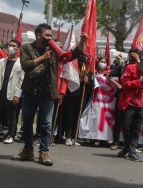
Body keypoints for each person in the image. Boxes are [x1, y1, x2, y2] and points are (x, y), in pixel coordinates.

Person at [13, 23, 87, 166]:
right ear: (38, 35)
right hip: (30, 92)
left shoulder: (53, 49)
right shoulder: (27, 48)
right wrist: (43, 58)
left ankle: (44, 152)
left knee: (46, 124)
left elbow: (68, 56)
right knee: (27, 122)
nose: (50, 38)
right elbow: (25, 66)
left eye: (50, 35)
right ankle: (28, 150)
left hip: (47, 93)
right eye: (47, 35)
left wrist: (82, 43)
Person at [117, 48, 143, 162]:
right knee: (126, 127)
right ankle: (127, 148)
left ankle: (132, 150)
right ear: (140, 60)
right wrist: (139, 81)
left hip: (142, 104)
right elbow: (124, 84)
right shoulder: (130, 68)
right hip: (129, 103)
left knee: (137, 129)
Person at [0, 39, 24, 144]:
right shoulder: (2, 61)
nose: (11, 47)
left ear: (18, 48)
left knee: (13, 115)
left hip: (13, 93)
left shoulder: (21, 63)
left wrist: (17, 95)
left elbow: (22, 81)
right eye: (10, 45)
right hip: (2, 91)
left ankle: (11, 135)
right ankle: (3, 132)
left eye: (14, 45)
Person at [108, 54, 124, 150]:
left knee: (128, 122)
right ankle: (116, 142)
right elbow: (108, 76)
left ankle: (129, 144)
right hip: (120, 96)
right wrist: (117, 84)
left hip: (132, 99)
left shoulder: (138, 68)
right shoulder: (121, 67)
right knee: (118, 120)